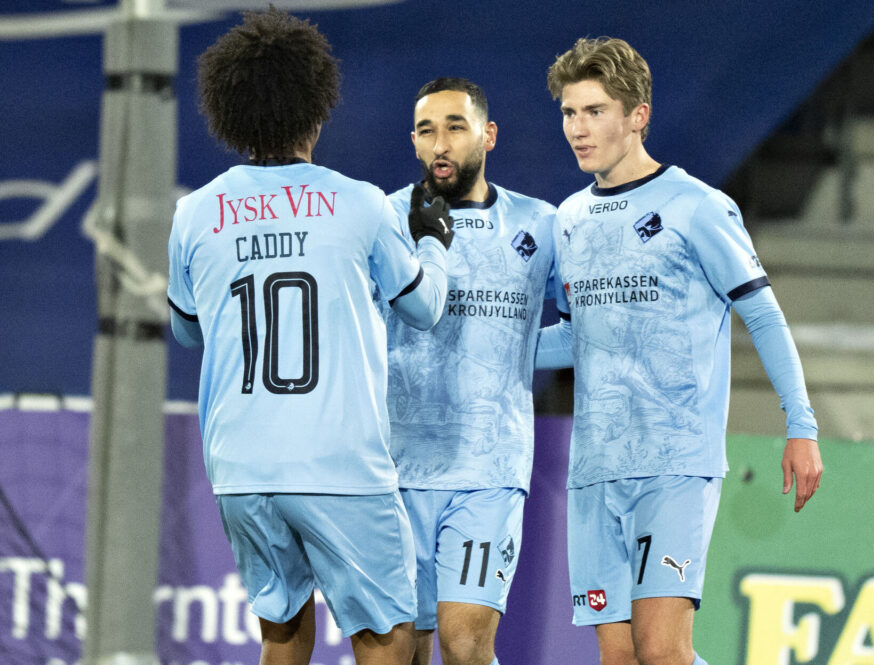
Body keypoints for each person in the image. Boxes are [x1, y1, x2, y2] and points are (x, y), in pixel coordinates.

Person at [165, 9, 453, 665]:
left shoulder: (195, 212)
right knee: (386, 634)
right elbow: (423, 309)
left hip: (241, 466)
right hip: (339, 461)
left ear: (229, 114)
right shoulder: (360, 203)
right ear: (316, 110)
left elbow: (184, 329)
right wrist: (434, 241)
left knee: (282, 632)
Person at [537, 37, 824, 665]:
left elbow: (762, 315)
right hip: (594, 469)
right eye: (569, 113)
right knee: (620, 659)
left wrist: (800, 424)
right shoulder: (569, 219)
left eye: (594, 111)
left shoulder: (697, 207)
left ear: (637, 115)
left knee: (662, 650)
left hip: (674, 464)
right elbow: (578, 339)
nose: (577, 129)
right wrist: (487, 347)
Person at [381, 77, 563, 665]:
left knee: (464, 644)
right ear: (413, 142)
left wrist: (510, 352)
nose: (440, 144)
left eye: (455, 127)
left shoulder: (540, 224)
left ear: (488, 135)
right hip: (394, 470)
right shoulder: (384, 219)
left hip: (489, 472)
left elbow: (584, 333)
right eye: (427, 131)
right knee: (401, 651)